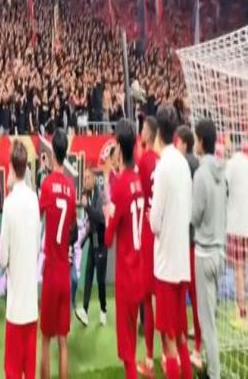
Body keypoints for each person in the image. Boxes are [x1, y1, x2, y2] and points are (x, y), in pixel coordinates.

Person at [150, 105, 193, 379]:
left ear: (158, 134)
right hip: (182, 260)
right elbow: (188, 211)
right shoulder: (183, 163)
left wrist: (154, 221)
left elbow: (155, 221)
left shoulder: (163, 165)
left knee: (168, 338)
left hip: (166, 264)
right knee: (180, 335)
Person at [104, 119, 144, 379]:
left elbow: (108, 238)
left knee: (127, 351)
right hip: (139, 269)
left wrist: (109, 214)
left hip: (127, 275)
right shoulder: (138, 180)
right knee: (131, 341)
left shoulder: (120, 185)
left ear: (119, 147)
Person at [0, 140, 41, 379]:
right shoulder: (34, 200)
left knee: (13, 372)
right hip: (30, 304)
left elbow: (2, 256)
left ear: (12, 168)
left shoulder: (10, 203)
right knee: (29, 371)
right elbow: (36, 246)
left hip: (15, 307)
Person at [39, 129, 77, 379]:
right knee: (63, 341)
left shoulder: (47, 185)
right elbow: (72, 226)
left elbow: (38, 216)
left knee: (45, 339)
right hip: (65, 269)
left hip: (51, 269)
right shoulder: (71, 188)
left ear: (53, 153)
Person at [191, 118, 227, 379]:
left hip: (204, 253)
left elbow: (195, 216)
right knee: (211, 318)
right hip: (220, 251)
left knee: (207, 323)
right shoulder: (222, 172)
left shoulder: (201, 174)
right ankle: (210, 367)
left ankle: (213, 373)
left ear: (202, 142)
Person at [175, 124, 202, 368]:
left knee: (186, 293)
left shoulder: (185, 166)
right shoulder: (198, 165)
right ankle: (196, 345)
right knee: (195, 295)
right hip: (196, 238)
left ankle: (192, 348)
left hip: (188, 240)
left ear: (184, 143)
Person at [136, 116, 160, 377]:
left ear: (149, 134)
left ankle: (150, 359)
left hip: (147, 232)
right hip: (161, 233)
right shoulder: (161, 162)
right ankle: (170, 354)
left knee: (147, 298)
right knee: (161, 296)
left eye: (143, 128)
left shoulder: (144, 161)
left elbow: (141, 196)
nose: (140, 131)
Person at [75, 167, 107, 327]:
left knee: (100, 280)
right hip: (93, 242)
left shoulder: (100, 195)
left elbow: (100, 219)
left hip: (101, 244)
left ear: (94, 179)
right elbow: (91, 223)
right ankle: (85, 311)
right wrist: (82, 242)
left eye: (88, 177)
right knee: (88, 276)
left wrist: (87, 206)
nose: (85, 180)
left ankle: (103, 309)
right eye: (85, 177)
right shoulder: (88, 195)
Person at [225, 141, 248, 328]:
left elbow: (224, 185)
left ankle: (242, 313)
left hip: (237, 225)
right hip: (241, 224)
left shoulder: (234, 162)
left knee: (239, 270)